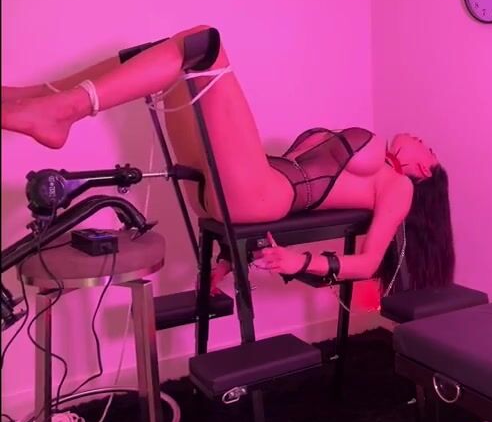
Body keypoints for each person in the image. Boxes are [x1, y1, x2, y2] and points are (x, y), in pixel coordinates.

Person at [1, 26, 455, 291]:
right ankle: (35, 98)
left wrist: (299, 262)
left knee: (206, 44)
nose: (420, 140)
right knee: (173, 52)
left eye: (428, 148)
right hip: (233, 187)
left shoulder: (398, 185)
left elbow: (370, 262)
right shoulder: (378, 169)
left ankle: (59, 111)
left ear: (423, 170)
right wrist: (225, 261)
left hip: (258, 195)